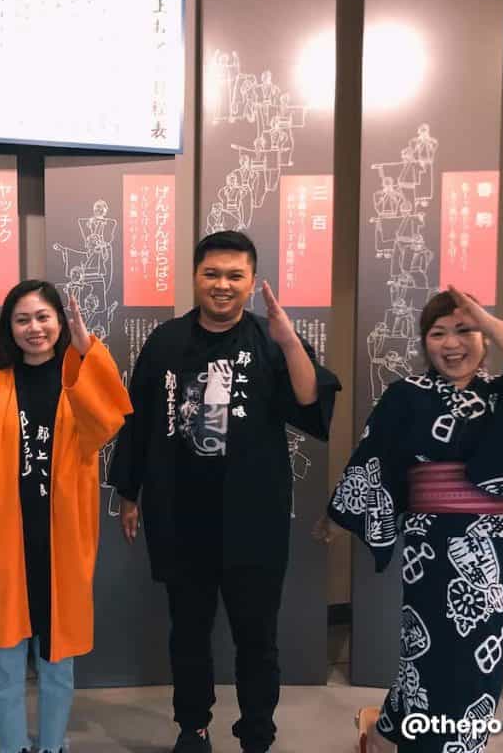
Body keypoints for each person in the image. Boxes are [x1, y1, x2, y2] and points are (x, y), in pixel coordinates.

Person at [109, 230, 340, 753]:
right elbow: (138, 420)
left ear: (252, 281)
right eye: (211, 273)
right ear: (195, 277)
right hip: (180, 514)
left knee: (257, 635)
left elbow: (311, 402)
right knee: (188, 632)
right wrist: (129, 493)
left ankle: (257, 731)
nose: (222, 285)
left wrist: (289, 341)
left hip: (253, 518)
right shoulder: (166, 341)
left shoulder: (269, 338)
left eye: (235, 275)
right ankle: (193, 727)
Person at [315, 287, 503, 753]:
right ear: (423, 341)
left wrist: (488, 320)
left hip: (495, 545)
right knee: (427, 652)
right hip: (430, 545)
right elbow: (373, 458)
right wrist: (338, 516)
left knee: (482, 658)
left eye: (465, 330)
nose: (451, 344)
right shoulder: (406, 395)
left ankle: (395, 732)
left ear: (486, 337)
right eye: (437, 333)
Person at [0, 280, 131, 753]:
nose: (34, 328)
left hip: (62, 539)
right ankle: (11, 745)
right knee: (3, 655)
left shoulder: (77, 383)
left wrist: (87, 351)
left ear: (60, 322)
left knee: (58, 657)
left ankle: (51, 744)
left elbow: (111, 417)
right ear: (9, 327)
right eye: (22, 319)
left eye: (44, 317)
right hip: (1, 535)